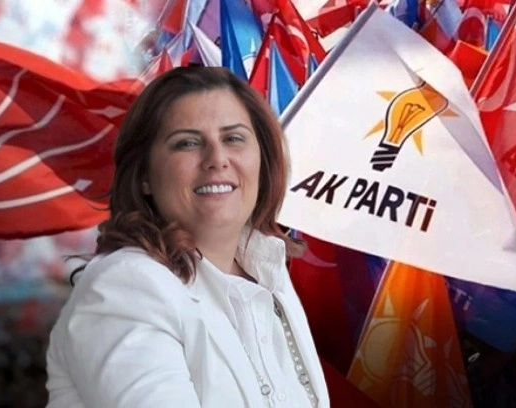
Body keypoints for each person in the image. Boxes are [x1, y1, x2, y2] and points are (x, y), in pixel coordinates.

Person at [46, 66, 329, 407]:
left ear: (263, 159)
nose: (217, 159)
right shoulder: (127, 285)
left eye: (233, 138)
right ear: (144, 176)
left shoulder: (268, 270)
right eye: (188, 143)